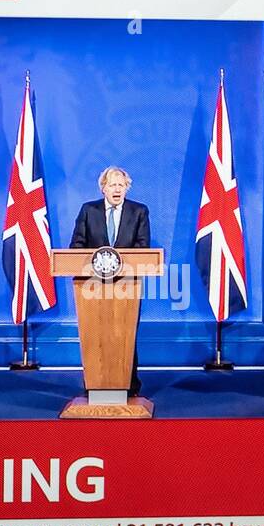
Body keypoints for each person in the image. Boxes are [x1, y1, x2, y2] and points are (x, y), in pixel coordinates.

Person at [69, 166, 151, 395]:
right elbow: (76, 246)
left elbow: (143, 247)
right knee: (96, 333)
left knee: (124, 333)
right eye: (112, 185)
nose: (117, 189)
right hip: (92, 287)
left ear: (127, 188)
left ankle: (129, 385)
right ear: (103, 188)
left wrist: (120, 266)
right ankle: (95, 384)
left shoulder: (139, 211)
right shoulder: (88, 210)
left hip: (126, 286)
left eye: (121, 185)